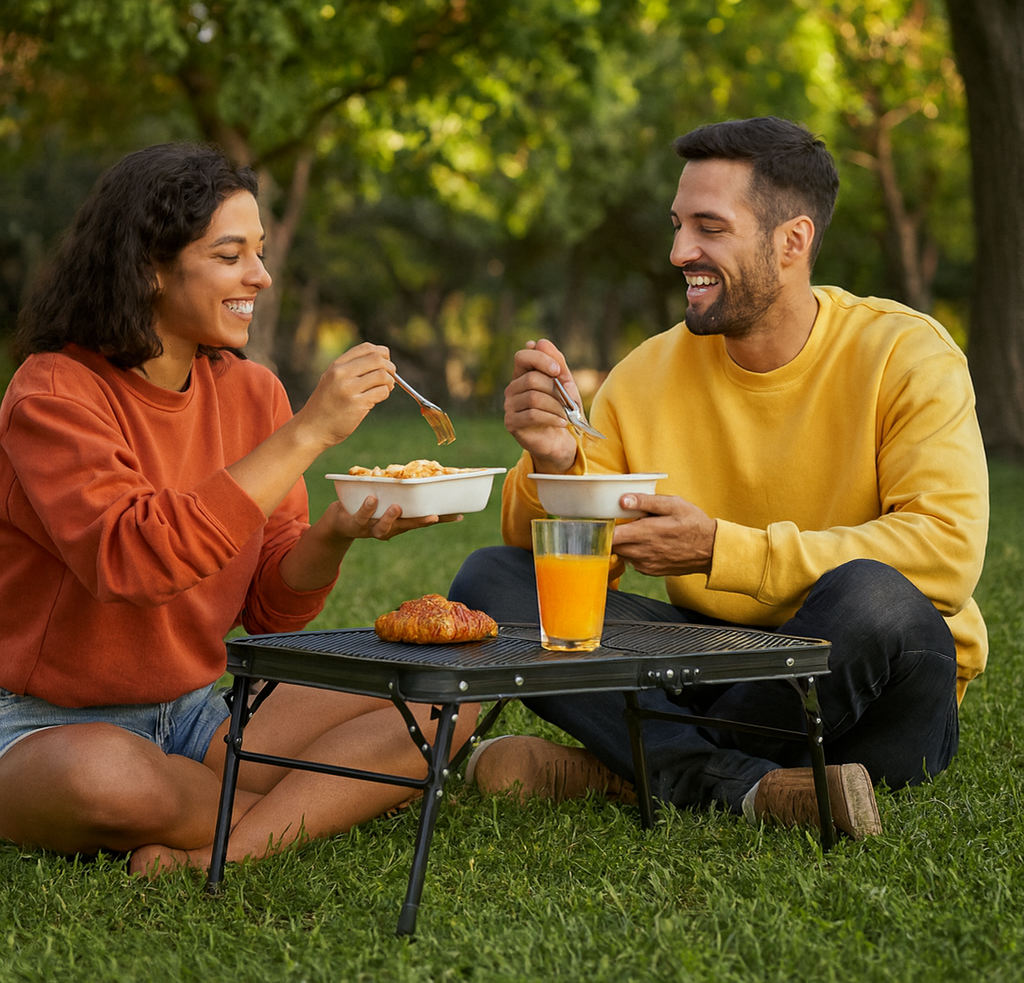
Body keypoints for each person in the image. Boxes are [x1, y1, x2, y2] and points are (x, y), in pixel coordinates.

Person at [448, 116, 989, 840]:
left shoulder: (906, 353)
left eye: (709, 227)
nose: (679, 252)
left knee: (876, 597)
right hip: (711, 661)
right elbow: (561, 569)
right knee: (494, 580)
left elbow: (947, 554)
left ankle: (629, 769)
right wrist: (553, 461)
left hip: (872, 693)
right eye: (677, 225)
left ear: (792, 241)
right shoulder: (646, 373)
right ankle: (731, 782)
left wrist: (719, 551)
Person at [0, 142, 478, 875]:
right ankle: (302, 803)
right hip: (45, 725)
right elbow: (133, 557)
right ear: (150, 268)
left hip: (198, 715)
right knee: (107, 779)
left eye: (258, 251)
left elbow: (270, 605)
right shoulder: (54, 393)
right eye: (231, 256)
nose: (261, 275)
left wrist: (336, 532)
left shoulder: (254, 393)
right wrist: (310, 432)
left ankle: (226, 846)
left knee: (446, 704)